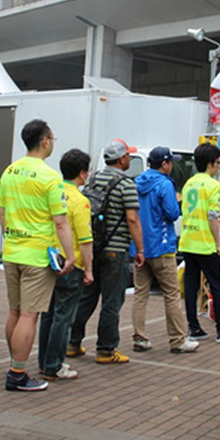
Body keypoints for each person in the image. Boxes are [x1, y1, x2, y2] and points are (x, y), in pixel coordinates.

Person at [0, 119, 75, 391]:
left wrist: (10, 239)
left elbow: (2, 213)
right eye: (52, 138)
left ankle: (14, 363)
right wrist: (70, 256)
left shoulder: (9, 171)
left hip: (12, 251)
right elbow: (61, 222)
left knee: (15, 311)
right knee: (30, 315)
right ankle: (17, 373)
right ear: (45, 141)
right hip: (37, 256)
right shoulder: (50, 176)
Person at [68, 139, 145, 364]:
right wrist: (140, 249)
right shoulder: (126, 183)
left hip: (93, 247)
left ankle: (72, 342)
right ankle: (105, 349)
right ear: (121, 159)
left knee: (86, 298)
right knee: (112, 301)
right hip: (115, 249)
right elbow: (132, 218)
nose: (129, 159)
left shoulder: (92, 179)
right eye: (128, 156)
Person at [132, 146, 199, 354]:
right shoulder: (164, 184)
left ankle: (140, 338)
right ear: (164, 164)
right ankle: (178, 339)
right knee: (171, 294)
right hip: (162, 246)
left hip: (140, 247)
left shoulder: (137, 182)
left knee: (140, 294)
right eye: (171, 162)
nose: (172, 166)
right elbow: (171, 213)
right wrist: (177, 202)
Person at [38, 149, 93, 381]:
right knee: (64, 315)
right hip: (72, 263)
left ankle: (44, 361)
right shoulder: (80, 201)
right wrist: (89, 269)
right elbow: (85, 239)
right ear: (82, 174)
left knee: (48, 313)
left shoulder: (52, 191)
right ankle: (55, 364)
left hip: (50, 259)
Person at [178, 143, 220, 343]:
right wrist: (218, 243)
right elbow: (212, 216)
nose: (219, 166)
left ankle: (194, 328)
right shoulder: (213, 185)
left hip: (187, 241)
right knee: (216, 286)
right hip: (205, 242)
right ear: (210, 163)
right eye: (218, 162)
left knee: (191, 286)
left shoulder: (189, 184)